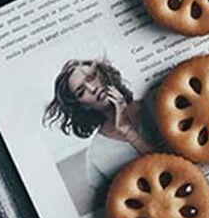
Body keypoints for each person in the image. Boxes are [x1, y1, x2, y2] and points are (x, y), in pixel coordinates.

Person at [43, 58, 151, 196]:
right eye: (81, 92)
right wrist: (124, 128)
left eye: (91, 77)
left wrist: (127, 129)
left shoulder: (154, 104)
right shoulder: (96, 156)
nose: (93, 89)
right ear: (82, 106)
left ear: (103, 75)